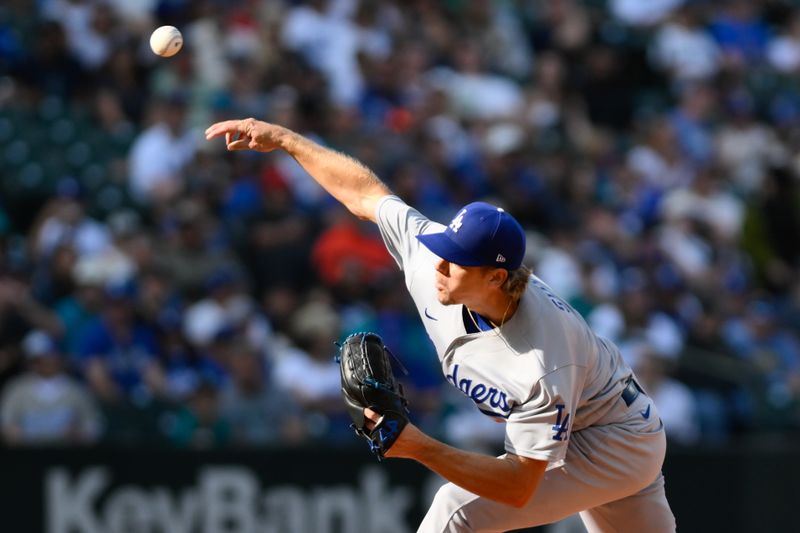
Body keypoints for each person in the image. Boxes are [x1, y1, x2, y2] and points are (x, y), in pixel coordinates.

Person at [205, 118, 677, 532]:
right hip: (591, 423)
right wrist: (287, 140)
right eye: (445, 252)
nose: (439, 266)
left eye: (456, 262)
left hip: (609, 441)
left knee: (456, 512)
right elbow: (367, 194)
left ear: (496, 277)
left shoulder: (542, 358)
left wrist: (420, 447)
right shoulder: (433, 253)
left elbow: (518, 486)